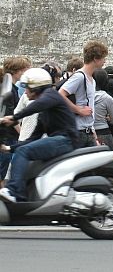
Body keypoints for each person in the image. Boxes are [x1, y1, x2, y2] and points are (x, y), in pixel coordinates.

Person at [0, 68, 78, 203]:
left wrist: (14, 118)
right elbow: (32, 139)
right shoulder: (44, 113)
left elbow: (37, 105)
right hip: (59, 140)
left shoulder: (51, 95)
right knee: (22, 151)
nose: (25, 91)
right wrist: (8, 148)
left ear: (36, 88)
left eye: (27, 88)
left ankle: (14, 192)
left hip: (66, 140)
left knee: (23, 151)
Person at [60, 40, 107, 147]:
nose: (104, 61)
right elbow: (60, 95)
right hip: (78, 131)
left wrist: (93, 133)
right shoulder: (79, 76)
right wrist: (78, 110)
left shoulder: (91, 79)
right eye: (103, 58)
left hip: (87, 131)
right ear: (95, 58)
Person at [0, 56, 31, 183]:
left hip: (7, 134)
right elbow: (11, 115)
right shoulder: (10, 90)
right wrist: (21, 132)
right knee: (2, 169)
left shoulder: (9, 88)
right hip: (8, 135)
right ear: (17, 71)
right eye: (24, 70)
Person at [91, 68, 113, 149]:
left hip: (90, 133)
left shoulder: (86, 96)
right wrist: (108, 118)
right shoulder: (107, 98)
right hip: (104, 132)